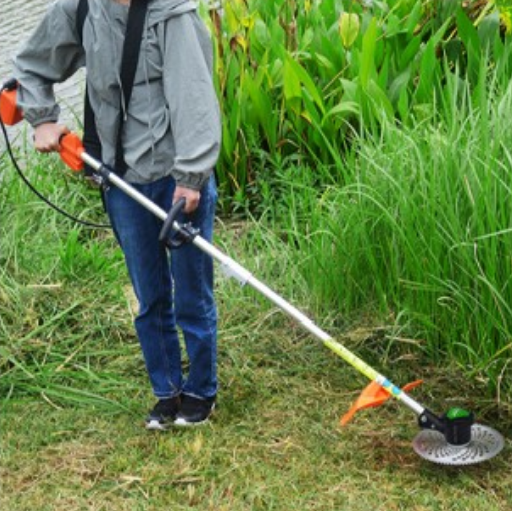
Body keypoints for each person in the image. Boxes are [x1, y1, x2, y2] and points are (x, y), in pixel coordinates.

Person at [12, 0, 222, 429]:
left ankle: (201, 390)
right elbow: (32, 66)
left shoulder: (173, 14)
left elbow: (194, 99)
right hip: (122, 180)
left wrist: (191, 179)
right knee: (150, 296)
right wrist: (42, 118)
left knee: (191, 296)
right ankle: (167, 392)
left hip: (177, 178)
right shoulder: (82, 9)